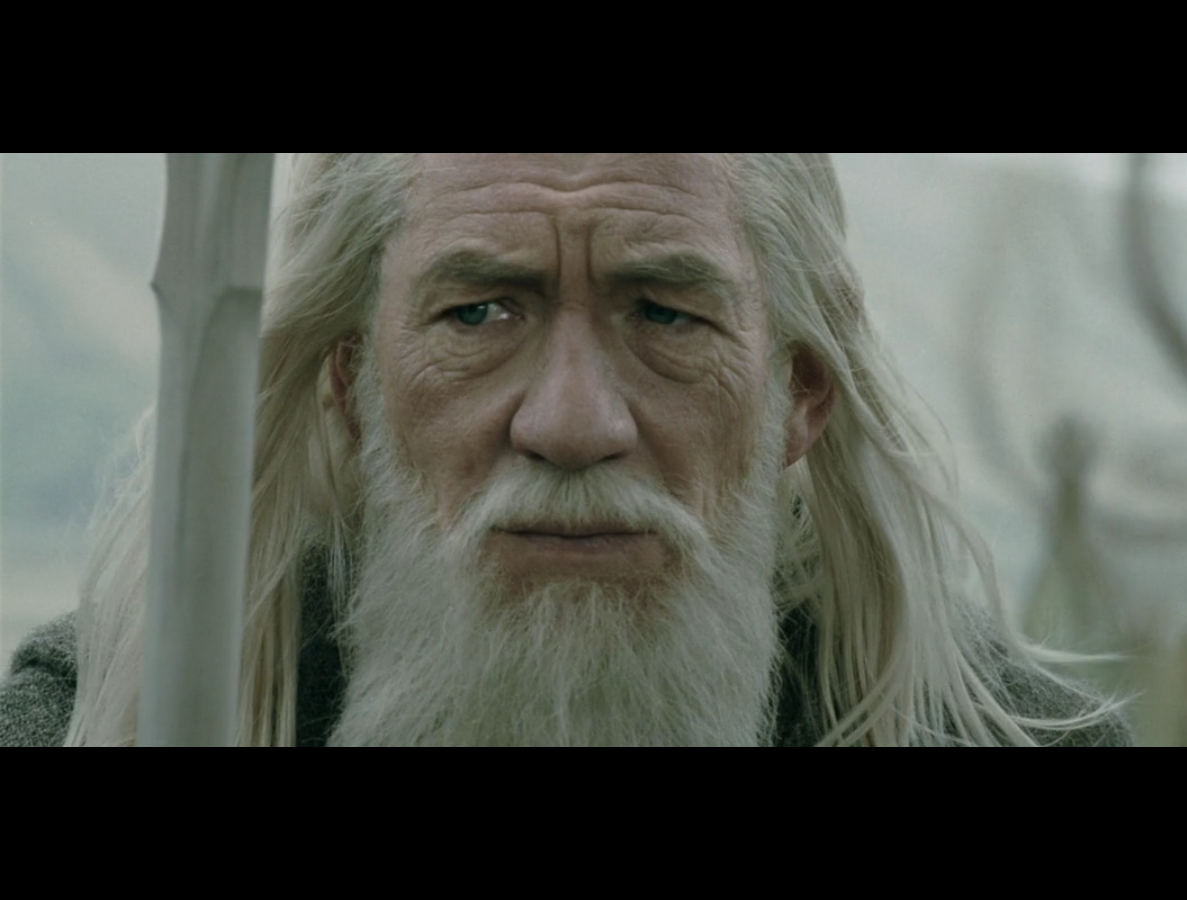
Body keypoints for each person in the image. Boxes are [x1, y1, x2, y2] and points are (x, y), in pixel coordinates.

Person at [1, 153, 1126, 747]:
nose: (574, 424)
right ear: (350, 387)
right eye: (480, 313)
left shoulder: (1012, 743)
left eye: (666, 314)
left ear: (800, 396)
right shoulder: (101, 721)